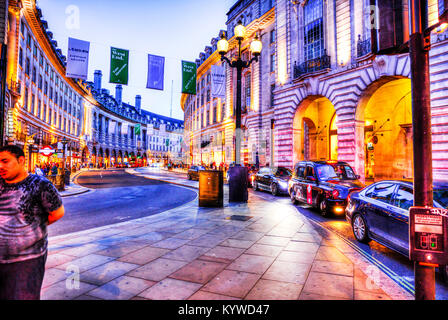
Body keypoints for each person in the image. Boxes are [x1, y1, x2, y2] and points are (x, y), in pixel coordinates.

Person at [0, 145, 65, 300]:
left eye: (5, 161)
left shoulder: (40, 184)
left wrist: (31, 225)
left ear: (21, 160)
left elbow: (57, 213)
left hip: (27, 260)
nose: (0, 166)